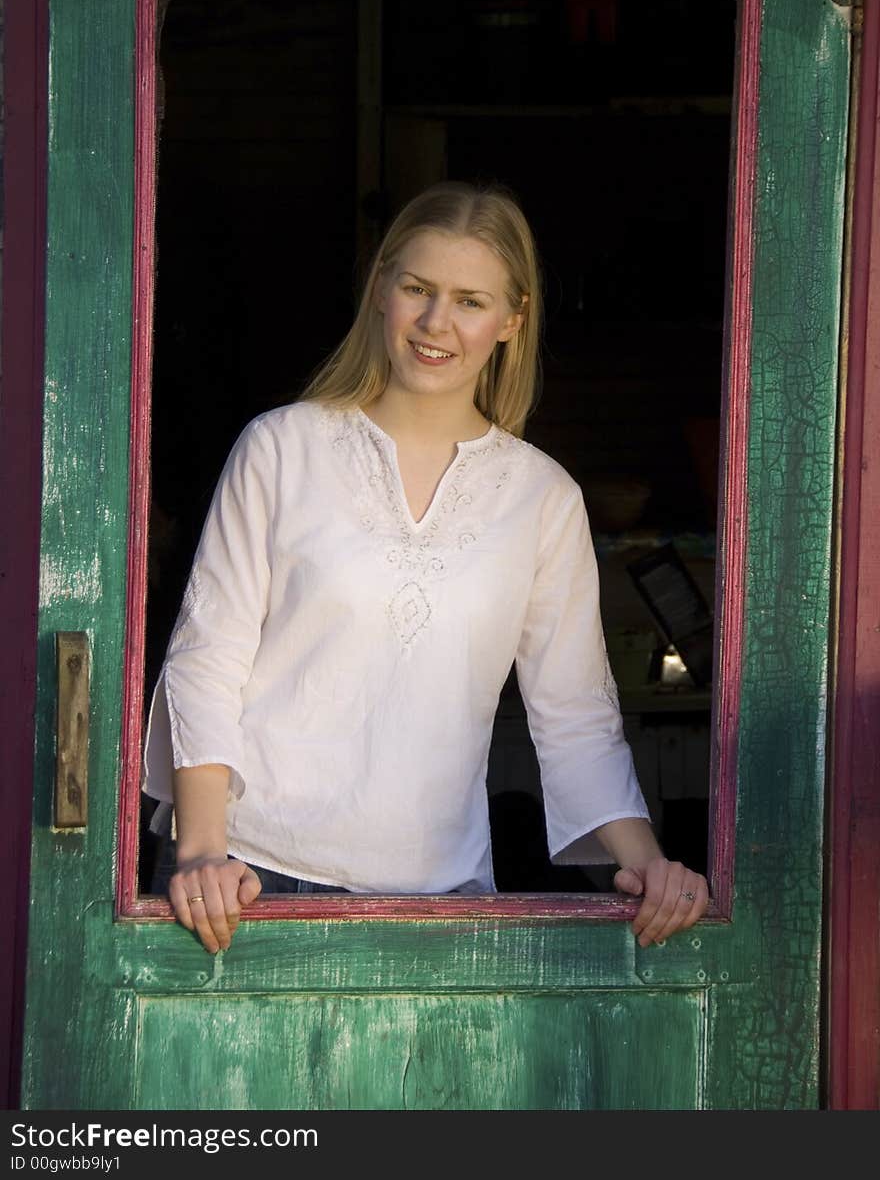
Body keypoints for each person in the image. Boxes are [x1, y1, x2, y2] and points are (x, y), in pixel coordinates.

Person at [142, 180, 710, 954]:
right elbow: (206, 659)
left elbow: (574, 711)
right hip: (249, 879)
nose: (437, 322)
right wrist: (203, 851)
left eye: (470, 300)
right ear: (382, 289)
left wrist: (649, 866)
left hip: (440, 894)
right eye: (418, 288)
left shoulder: (542, 498)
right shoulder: (281, 448)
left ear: (513, 319)